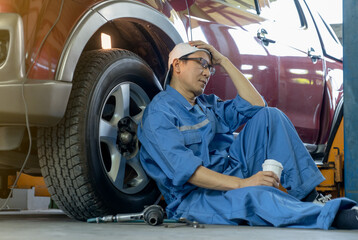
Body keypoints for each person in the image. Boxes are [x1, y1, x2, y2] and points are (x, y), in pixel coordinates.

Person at [137, 41, 358, 229]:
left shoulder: (206, 105)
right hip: (196, 197)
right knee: (256, 197)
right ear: (177, 65)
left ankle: (311, 197)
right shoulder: (159, 114)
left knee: (270, 117)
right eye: (202, 64)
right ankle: (336, 215)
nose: (207, 73)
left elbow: (256, 105)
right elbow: (188, 173)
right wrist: (245, 184)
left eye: (210, 68)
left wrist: (223, 60)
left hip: (233, 172)